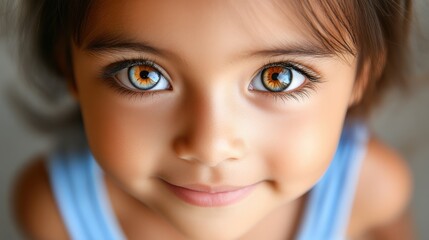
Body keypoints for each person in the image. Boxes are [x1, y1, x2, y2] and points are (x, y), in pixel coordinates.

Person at [12, 0, 415, 239]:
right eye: (143, 75)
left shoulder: (370, 189)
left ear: (361, 76)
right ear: (70, 70)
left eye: (278, 77)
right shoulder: (55, 211)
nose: (209, 146)